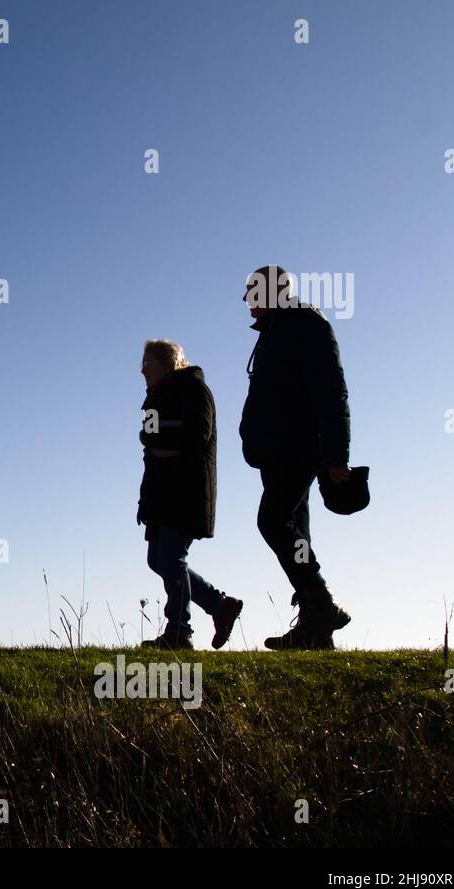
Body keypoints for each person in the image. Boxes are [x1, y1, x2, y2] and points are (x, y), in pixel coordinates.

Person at [239, 266, 352, 650]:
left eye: (251, 290)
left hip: (297, 448)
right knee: (294, 531)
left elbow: (332, 390)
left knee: (272, 520)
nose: (245, 299)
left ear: (274, 291)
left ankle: (320, 603)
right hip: (278, 450)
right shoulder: (276, 330)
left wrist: (336, 455)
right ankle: (316, 629)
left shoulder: (305, 325)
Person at [137, 339, 243, 650]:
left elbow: (199, 433)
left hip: (187, 491)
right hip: (161, 494)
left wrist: (160, 438)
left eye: (149, 362)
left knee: (171, 556)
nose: (142, 369)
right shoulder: (156, 396)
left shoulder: (194, 390)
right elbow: (147, 438)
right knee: (158, 559)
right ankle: (220, 605)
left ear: (168, 363)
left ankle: (179, 632)